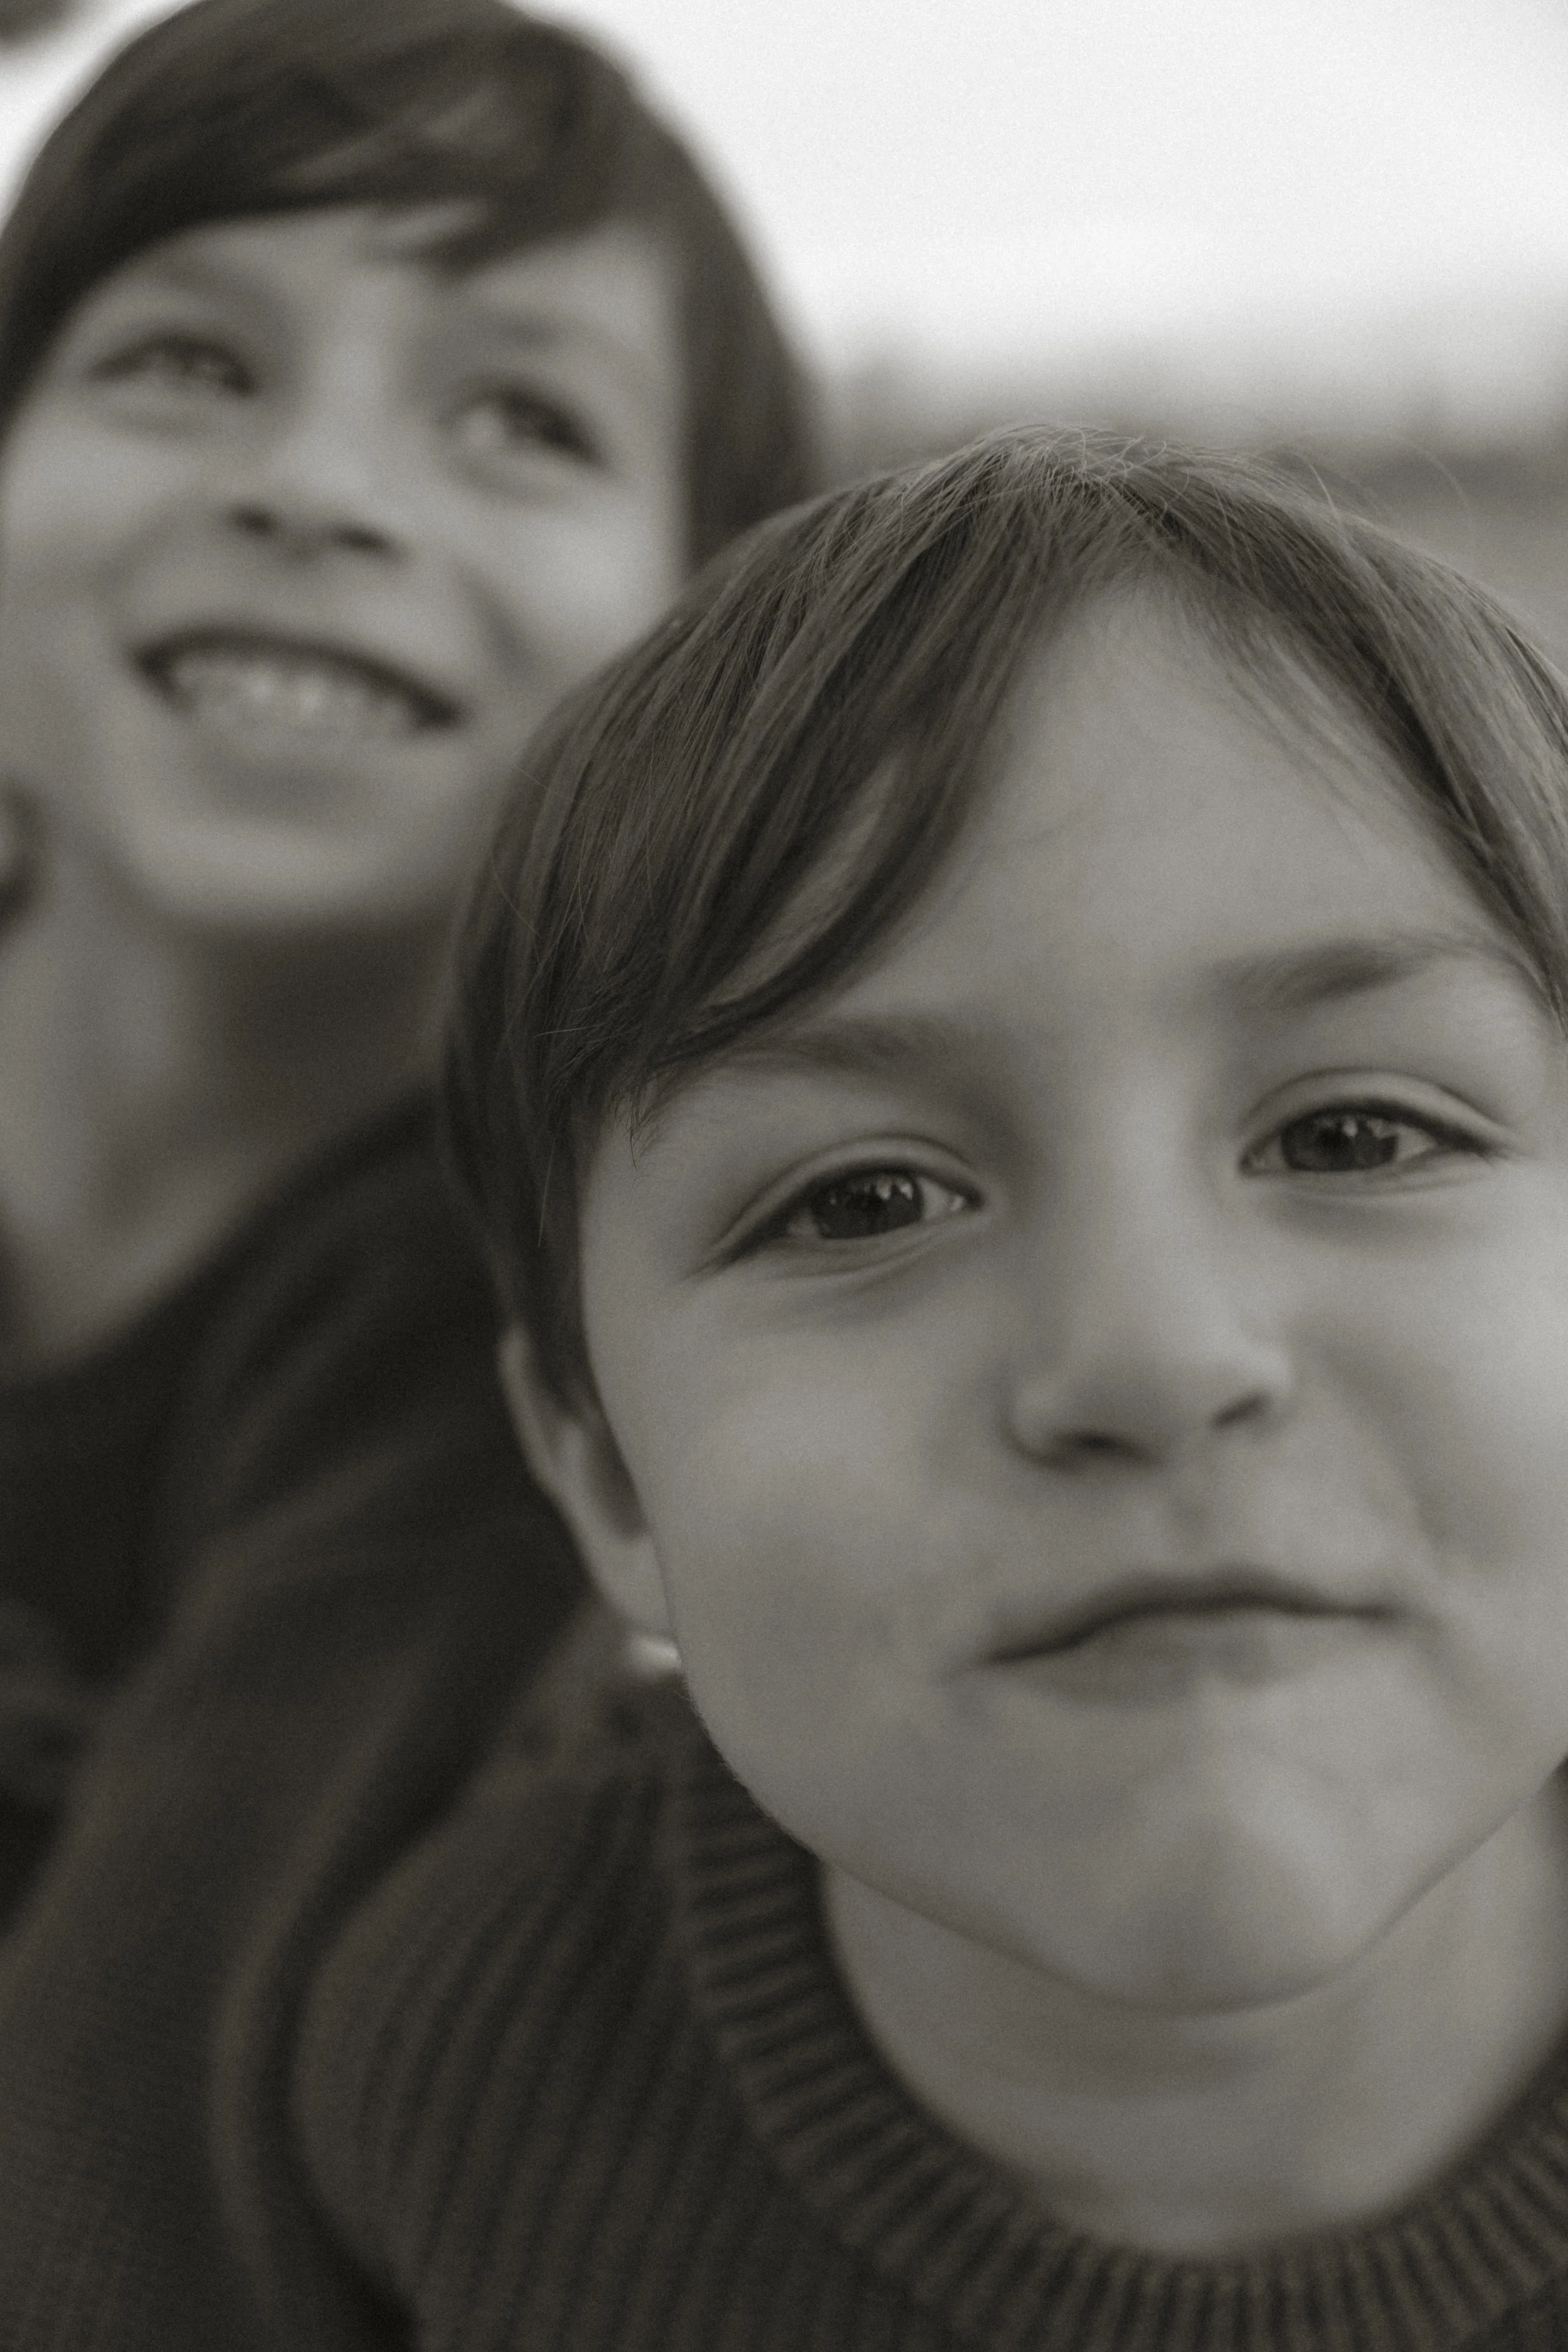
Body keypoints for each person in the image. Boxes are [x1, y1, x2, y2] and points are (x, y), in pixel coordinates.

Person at [283, 428, 1568, 2350]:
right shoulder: (475, 2061)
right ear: (608, 1481)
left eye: (1357, 1135)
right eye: (863, 1197)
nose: (1151, 1356)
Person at [0, 0, 812, 2332]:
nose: (320, 488)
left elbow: (107, 2188)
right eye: (182, 359)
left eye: (517, 418)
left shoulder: (508, 1335)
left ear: (690, 645)